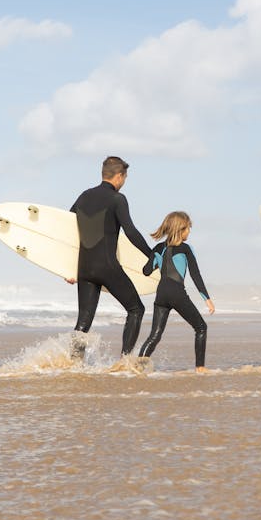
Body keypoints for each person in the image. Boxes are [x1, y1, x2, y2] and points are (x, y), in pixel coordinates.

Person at [69, 156, 154, 360]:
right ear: (118, 176)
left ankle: (73, 363)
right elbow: (131, 232)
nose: (124, 182)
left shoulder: (84, 196)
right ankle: (124, 361)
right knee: (136, 309)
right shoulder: (118, 199)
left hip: (85, 269)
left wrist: (68, 268)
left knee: (84, 321)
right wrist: (153, 256)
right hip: (107, 267)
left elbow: (68, 228)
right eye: (124, 177)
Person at [138, 211, 215, 372]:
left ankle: (138, 367)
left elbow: (146, 271)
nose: (189, 232)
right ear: (180, 229)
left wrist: (157, 259)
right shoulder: (186, 249)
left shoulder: (158, 248)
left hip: (161, 295)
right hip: (176, 293)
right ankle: (200, 368)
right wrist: (206, 298)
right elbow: (195, 274)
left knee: (155, 335)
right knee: (201, 327)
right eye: (188, 228)